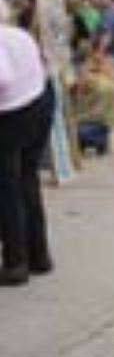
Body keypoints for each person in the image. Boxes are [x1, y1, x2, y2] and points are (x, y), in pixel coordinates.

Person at [0, 22, 55, 286]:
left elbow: (3, 77)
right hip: (38, 103)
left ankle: (15, 262)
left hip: (12, 114)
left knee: (7, 189)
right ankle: (39, 255)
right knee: (27, 180)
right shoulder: (19, 34)